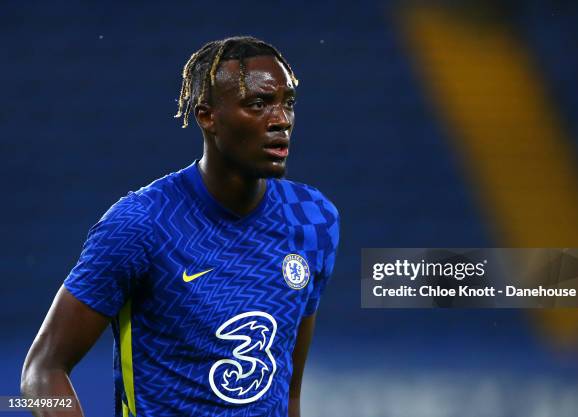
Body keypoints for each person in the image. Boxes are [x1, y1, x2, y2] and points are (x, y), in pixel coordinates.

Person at [21, 36, 340, 417]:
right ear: (207, 116)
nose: (281, 120)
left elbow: (287, 392)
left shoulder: (314, 219)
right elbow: (41, 371)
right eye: (258, 104)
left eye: (287, 103)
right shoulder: (141, 224)